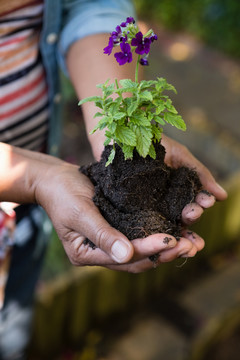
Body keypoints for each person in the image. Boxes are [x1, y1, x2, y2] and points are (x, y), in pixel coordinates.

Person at [0, 0, 227, 359]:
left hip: (21, 222)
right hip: (24, 185)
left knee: (10, 331)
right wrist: (37, 178)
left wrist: (120, 133)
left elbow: (88, 5)